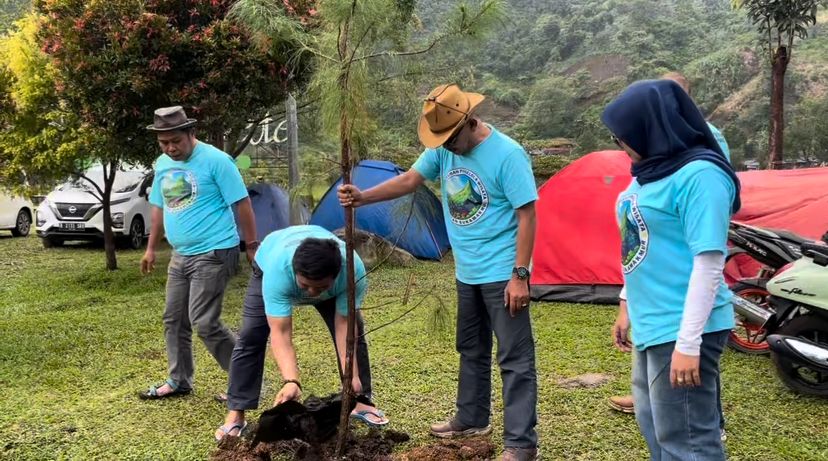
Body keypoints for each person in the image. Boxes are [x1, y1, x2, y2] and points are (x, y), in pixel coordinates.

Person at [338, 84, 539, 461]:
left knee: (514, 358)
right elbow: (410, 180)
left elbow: (527, 215)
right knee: (471, 347)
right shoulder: (443, 149)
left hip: (502, 271)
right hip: (467, 271)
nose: (446, 147)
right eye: (441, 141)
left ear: (469, 122)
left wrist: (520, 275)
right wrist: (363, 197)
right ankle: (471, 417)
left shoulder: (508, 155)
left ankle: (522, 444)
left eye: (450, 139)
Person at [603, 79, 740, 460]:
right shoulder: (648, 173)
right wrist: (626, 304)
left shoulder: (700, 176)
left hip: (683, 323)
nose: (621, 145)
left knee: (688, 440)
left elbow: (709, 263)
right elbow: (637, 242)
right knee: (654, 425)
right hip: (650, 320)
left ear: (650, 127)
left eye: (622, 136)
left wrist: (689, 343)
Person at [215, 225, 388, 441]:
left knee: (356, 330)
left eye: (320, 288)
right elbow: (281, 333)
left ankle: (360, 399)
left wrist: (352, 375)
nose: (312, 293)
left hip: (326, 276)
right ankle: (236, 413)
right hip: (270, 256)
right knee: (251, 335)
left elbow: (344, 324)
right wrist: (292, 381)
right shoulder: (278, 272)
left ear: (336, 275)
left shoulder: (352, 272)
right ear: (295, 272)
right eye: (306, 286)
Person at [139, 106, 258, 400]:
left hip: (215, 251)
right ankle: (179, 380)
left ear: (191, 133)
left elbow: (242, 202)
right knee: (174, 319)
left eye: (175, 141)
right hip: (180, 254)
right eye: (163, 142)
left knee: (204, 322)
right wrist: (151, 248)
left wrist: (251, 245)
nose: (170, 148)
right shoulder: (162, 164)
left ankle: (246, 382)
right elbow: (158, 207)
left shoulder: (217, 161)